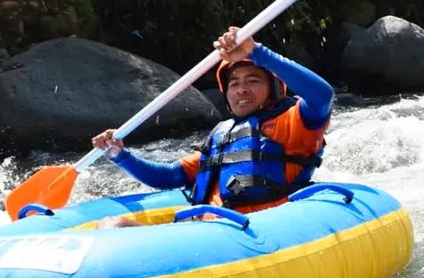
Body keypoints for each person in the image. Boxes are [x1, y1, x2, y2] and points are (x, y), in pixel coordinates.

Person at [91, 27, 334, 227]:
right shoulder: (222, 134)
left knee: (116, 227)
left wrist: (257, 52)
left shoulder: (293, 123)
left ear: (275, 90)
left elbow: (323, 95)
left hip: (256, 232)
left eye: (253, 81)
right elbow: (170, 176)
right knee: (108, 224)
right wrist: (119, 155)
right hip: (207, 233)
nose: (241, 89)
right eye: (234, 84)